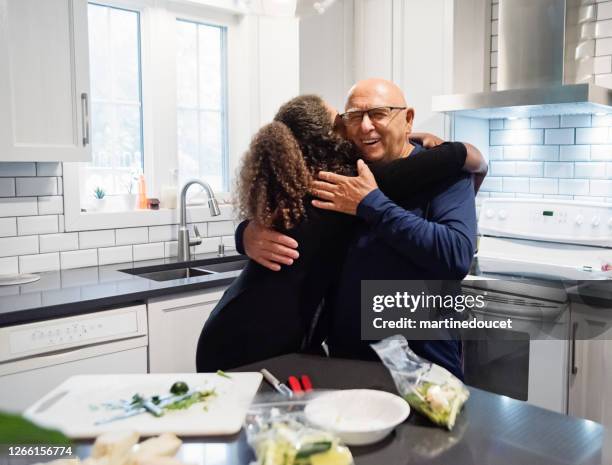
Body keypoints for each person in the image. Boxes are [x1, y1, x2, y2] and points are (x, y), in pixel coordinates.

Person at [195, 94, 485, 372]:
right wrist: (471, 156)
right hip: (245, 345)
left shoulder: (296, 187)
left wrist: (412, 135)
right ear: (327, 137)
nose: (355, 127)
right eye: (344, 121)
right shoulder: (332, 187)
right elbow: (425, 167)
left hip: (248, 332)